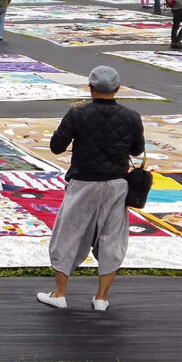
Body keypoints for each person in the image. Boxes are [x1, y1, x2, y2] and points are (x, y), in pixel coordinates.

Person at [37, 66, 145, 311]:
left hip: (83, 183)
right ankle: (101, 298)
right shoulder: (131, 116)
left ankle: (60, 293)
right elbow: (137, 150)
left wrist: (70, 118)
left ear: (90, 87)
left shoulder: (78, 114)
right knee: (112, 238)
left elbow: (56, 147)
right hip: (117, 185)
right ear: (117, 89)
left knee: (67, 234)